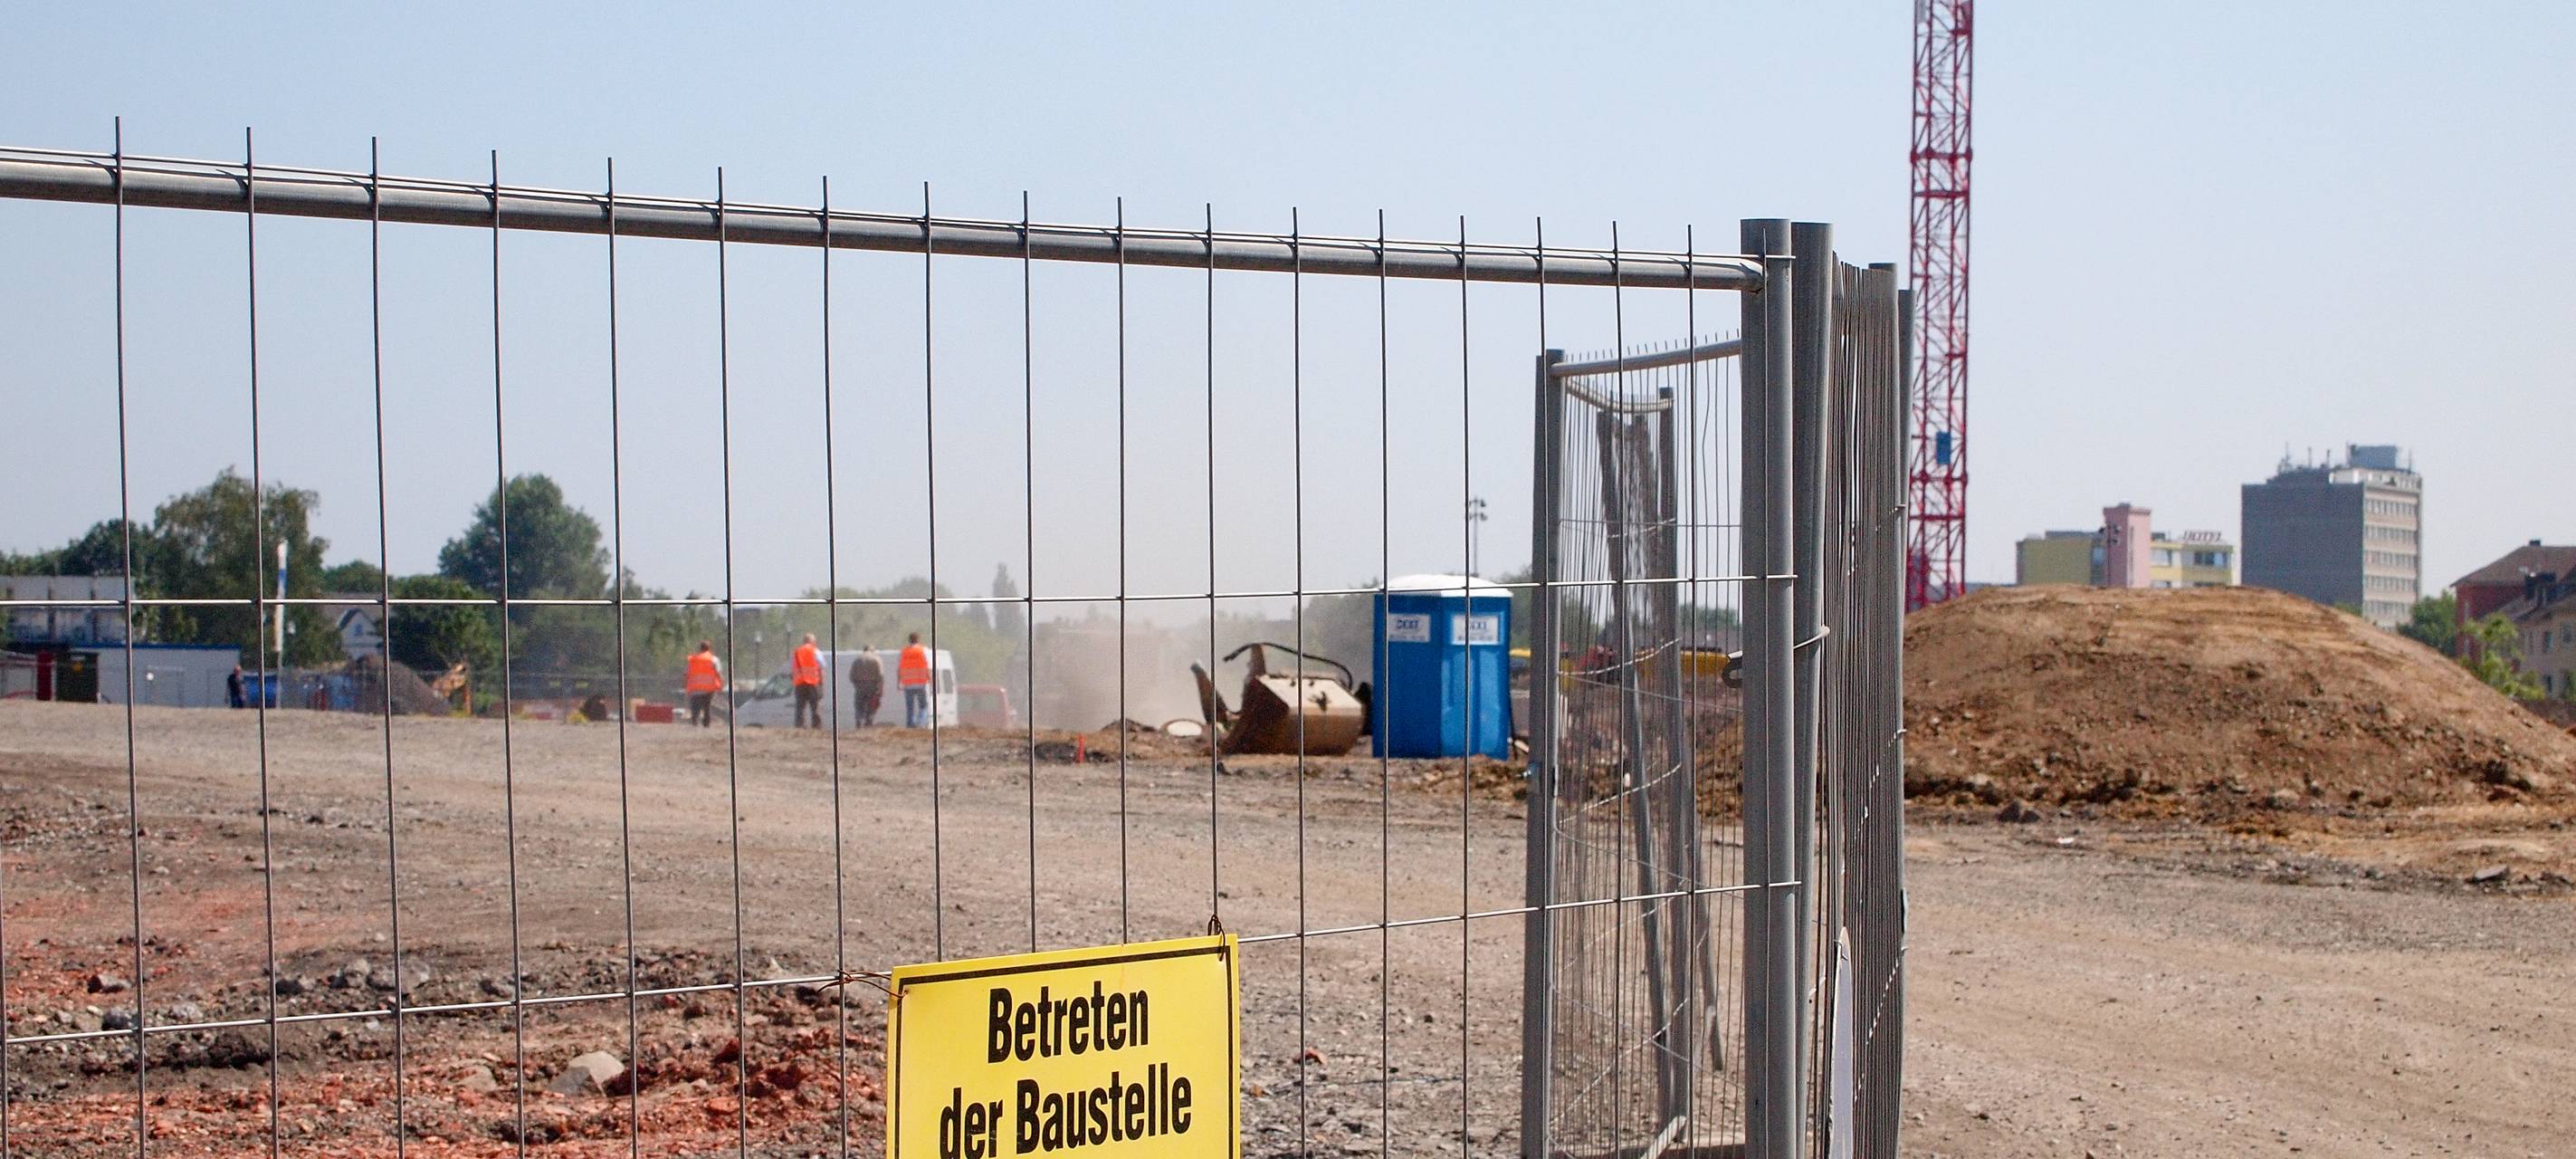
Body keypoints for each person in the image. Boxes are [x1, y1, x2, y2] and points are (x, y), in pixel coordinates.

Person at [683, 641, 724, 728]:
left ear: (700, 648)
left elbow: (686, 673)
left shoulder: (692, 659)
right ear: (709, 649)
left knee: (695, 707)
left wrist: (685, 684)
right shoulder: (714, 659)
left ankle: (695, 722)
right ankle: (706, 724)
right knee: (707, 707)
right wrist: (721, 684)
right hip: (709, 688)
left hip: (695, 687)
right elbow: (718, 673)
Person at [898, 632, 933, 729]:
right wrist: (931, 680)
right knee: (923, 706)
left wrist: (899, 682)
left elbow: (899, 668)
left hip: (908, 684)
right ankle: (921, 723)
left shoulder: (904, 652)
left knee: (910, 707)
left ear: (909, 640)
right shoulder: (923, 650)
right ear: (918, 640)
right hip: (921, 683)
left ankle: (911, 724)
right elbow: (928, 667)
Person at [790, 632, 825, 729]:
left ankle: (800, 726)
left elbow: (792, 668)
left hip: (800, 683)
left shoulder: (797, 652)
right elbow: (821, 667)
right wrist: (821, 684)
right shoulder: (815, 651)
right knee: (815, 705)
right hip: (813, 682)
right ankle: (817, 726)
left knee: (800, 706)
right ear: (812, 641)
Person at [848, 642, 883, 727]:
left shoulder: (857, 660)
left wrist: (856, 685)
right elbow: (881, 675)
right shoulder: (876, 659)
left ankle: (859, 721)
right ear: (872, 650)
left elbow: (851, 675)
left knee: (859, 705)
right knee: (871, 705)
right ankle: (869, 721)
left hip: (860, 686)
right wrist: (880, 689)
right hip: (872, 686)